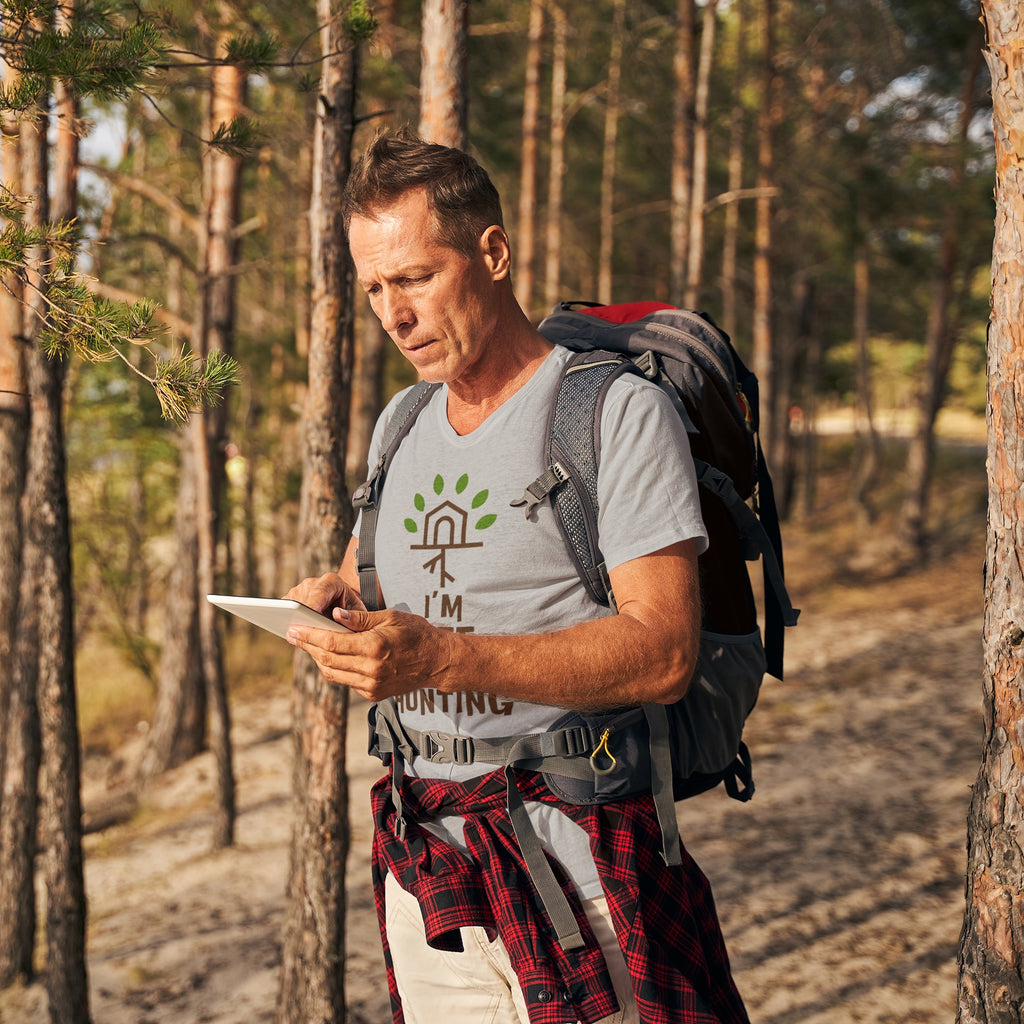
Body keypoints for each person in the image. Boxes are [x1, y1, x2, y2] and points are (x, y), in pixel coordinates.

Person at [285, 126, 750, 1024]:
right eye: (375, 287)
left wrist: (445, 661)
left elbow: (661, 654)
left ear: (492, 253)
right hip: (428, 875)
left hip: (586, 865)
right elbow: (372, 590)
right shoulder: (401, 424)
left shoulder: (614, 413)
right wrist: (338, 608)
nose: (395, 313)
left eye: (416, 277)